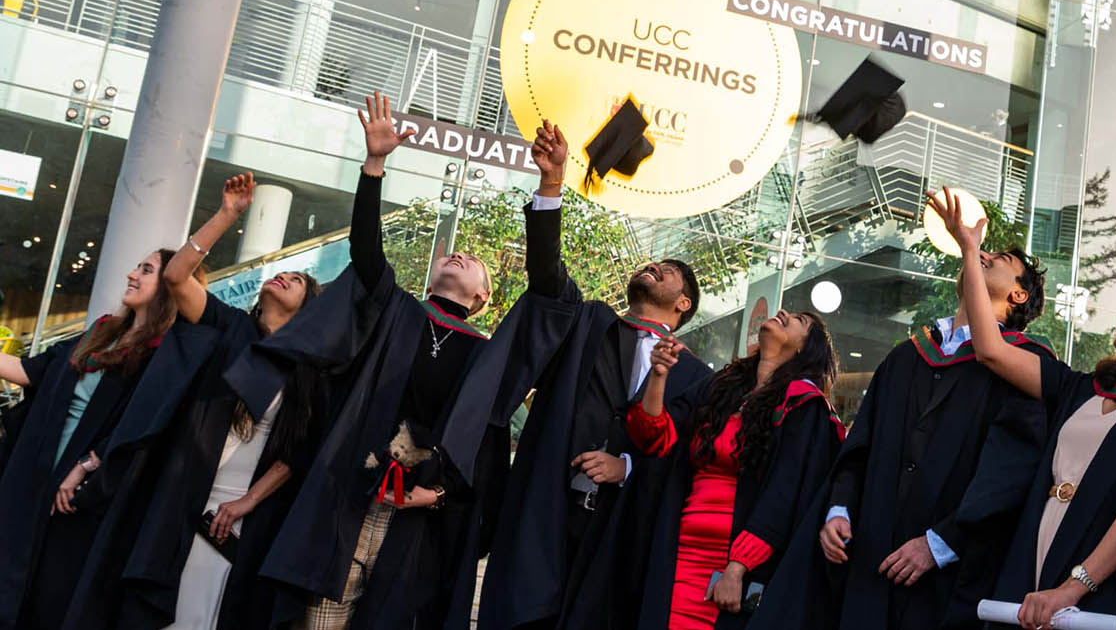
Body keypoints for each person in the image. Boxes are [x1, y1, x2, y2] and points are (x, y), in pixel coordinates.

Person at [235, 91, 504, 630]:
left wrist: (438, 495)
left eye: (474, 263)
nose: (461, 255)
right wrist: (374, 165)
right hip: (351, 494)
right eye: (453, 254)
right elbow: (366, 251)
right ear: (431, 280)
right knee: (319, 617)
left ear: (481, 299)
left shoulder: (484, 354)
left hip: (413, 519)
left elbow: (487, 449)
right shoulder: (397, 313)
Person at [928, 190, 1116, 629]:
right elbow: (991, 349)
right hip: (1027, 582)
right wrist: (970, 252)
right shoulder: (1081, 389)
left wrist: (1074, 588)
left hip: (1098, 600)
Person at [462, 121, 715, 630]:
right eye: (654, 261)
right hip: (548, 510)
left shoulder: (696, 378)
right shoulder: (588, 321)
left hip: (619, 540)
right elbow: (547, 275)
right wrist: (553, 183)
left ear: (683, 303)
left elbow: (686, 463)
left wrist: (627, 466)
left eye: (668, 269)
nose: (654, 266)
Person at [57, 174, 332, 630]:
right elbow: (176, 275)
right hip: (178, 488)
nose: (285, 275)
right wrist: (226, 215)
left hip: (231, 510)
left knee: (198, 611)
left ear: (310, 306)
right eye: (284, 271)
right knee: (145, 604)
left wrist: (246, 502)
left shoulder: (307, 369)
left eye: (299, 279)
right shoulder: (230, 329)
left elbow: (294, 452)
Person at [751, 216, 1053, 630]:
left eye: (997, 258)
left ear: (1018, 295)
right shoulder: (906, 356)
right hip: (869, 563)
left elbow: (1012, 473)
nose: (982, 254)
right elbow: (861, 446)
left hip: (949, 582)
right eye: (982, 251)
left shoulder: (1026, 365)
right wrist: (839, 510)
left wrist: (941, 543)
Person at [0, 248, 219, 630]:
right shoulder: (102, 331)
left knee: (51, 597)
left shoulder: (165, 356)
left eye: (146, 270)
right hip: (38, 475)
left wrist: (87, 465)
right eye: (137, 265)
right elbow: (30, 372)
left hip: (85, 494)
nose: (132, 274)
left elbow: (143, 424)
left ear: (169, 287)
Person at [624, 310, 844, 630]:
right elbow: (657, 441)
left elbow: (783, 495)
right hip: (678, 550)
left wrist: (738, 567)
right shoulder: (721, 387)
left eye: (799, 319)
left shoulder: (804, 406)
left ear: (803, 349)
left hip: (734, 564)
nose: (783, 313)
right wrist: (659, 377)